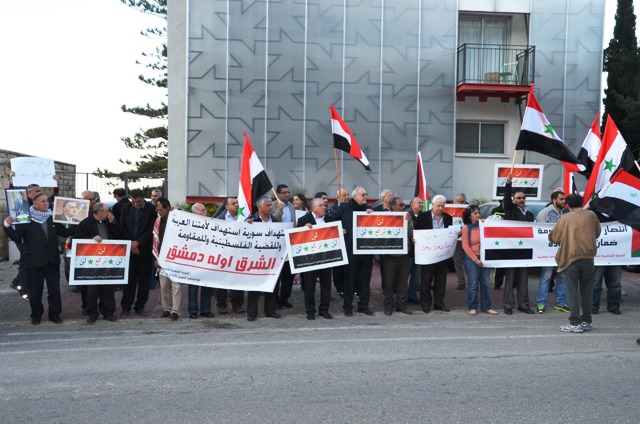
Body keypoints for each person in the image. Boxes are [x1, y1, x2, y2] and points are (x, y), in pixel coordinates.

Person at [4, 192, 64, 325]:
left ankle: (54, 314)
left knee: (55, 290)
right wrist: (7, 226)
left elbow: (64, 232)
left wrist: (77, 223)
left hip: (52, 261)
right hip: (33, 261)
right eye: (43, 201)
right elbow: (17, 237)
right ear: (35, 203)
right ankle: (36, 315)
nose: (46, 203)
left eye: (47, 201)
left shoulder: (52, 217)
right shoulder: (26, 218)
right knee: (35, 291)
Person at [548, 194, 600, 333]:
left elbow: (554, 237)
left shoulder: (566, 218)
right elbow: (597, 233)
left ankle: (575, 323)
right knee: (587, 291)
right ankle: (587, 321)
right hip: (588, 258)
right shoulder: (591, 215)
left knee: (571, 291)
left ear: (568, 204)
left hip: (571, 258)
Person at [73, 202, 120, 324]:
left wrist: (113, 223)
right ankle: (92, 313)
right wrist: (91, 240)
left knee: (108, 287)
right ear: (99, 212)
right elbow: (77, 239)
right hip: (92, 261)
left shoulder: (107, 222)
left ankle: (108, 312)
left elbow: (117, 235)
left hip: (107, 259)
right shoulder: (86, 223)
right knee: (92, 289)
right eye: (106, 211)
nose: (109, 213)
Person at [332, 186, 375, 316]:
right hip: (350, 249)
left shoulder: (369, 209)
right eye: (363, 194)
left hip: (365, 250)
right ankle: (348, 306)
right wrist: (339, 229)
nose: (365, 197)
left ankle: (363, 305)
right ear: (355, 196)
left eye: (366, 194)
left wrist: (373, 215)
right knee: (349, 279)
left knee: (365, 279)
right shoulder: (345, 207)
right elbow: (332, 219)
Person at [297, 198, 338, 320]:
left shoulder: (329, 220)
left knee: (326, 285)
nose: (324, 207)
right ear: (313, 208)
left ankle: (324, 309)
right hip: (310, 259)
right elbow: (297, 239)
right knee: (309, 286)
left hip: (325, 258)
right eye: (321, 205)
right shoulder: (303, 220)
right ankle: (310, 310)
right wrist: (303, 229)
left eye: (324, 205)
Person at [119, 188, 156, 317]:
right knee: (129, 280)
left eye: (138, 201)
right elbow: (123, 226)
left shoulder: (151, 209)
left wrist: (138, 242)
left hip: (144, 250)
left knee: (144, 281)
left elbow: (151, 229)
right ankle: (126, 307)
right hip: (129, 249)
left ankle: (140, 306)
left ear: (143, 198)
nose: (135, 204)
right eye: (133, 201)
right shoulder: (126, 208)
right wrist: (131, 243)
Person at [502, 173, 534, 315]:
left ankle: (524, 305)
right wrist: (508, 184)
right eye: (518, 198)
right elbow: (506, 199)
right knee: (510, 279)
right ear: (514, 200)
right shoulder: (510, 209)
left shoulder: (529, 214)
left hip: (525, 251)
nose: (521, 200)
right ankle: (508, 305)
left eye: (523, 198)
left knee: (523, 279)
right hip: (511, 249)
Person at [415, 194, 454, 313]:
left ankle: (439, 303)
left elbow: (449, 234)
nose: (440, 208)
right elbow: (417, 232)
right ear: (432, 205)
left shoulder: (448, 218)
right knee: (426, 280)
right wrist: (415, 239)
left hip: (442, 255)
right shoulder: (423, 217)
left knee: (441, 281)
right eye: (438, 206)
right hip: (428, 255)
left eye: (442, 206)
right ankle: (425, 303)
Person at [246, 196, 282, 321]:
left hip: (272, 259)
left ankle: (270, 311)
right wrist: (246, 225)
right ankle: (252, 312)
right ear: (259, 206)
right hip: (256, 259)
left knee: (272, 285)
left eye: (271, 205)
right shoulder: (251, 220)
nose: (271, 207)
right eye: (268, 205)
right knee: (254, 287)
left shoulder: (275, 220)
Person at [535, 191, 569, 314]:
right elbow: (540, 231)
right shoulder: (544, 213)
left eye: (564, 199)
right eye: (561, 199)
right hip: (548, 251)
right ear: (554, 200)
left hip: (563, 251)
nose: (564, 201)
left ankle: (561, 303)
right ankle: (541, 303)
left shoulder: (565, 213)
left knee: (563, 277)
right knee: (546, 277)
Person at [461, 205, 498, 315]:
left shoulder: (483, 225)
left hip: (485, 257)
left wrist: (487, 223)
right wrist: (475, 259)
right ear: (469, 216)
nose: (478, 215)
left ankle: (487, 307)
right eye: (475, 213)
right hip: (471, 259)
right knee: (473, 284)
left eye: (478, 212)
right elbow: (465, 246)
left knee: (485, 284)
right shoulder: (466, 228)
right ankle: (472, 307)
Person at [380, 197, 413, 316]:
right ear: (393, 206)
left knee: (403, 281)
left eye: (404, 205)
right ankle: (389, 305)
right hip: (389, 255)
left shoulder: (406, 217)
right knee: (389, 281)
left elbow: (411, 234)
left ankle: (401, 304)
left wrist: (409, 223)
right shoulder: (384, 217)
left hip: (403, 254)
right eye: (400, 205)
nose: (403, 207)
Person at [214, 197, 245, 315]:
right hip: (223, 254)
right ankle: (221, 305)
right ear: (226, 207)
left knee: (238, 279)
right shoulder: (219, 219)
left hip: (238, 254)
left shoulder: (243, 218)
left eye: (237, 203)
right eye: (233, 203)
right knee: (221, 280)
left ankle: (237, 304)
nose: (236, 205)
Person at [154, 197, 184, 320]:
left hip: (176, 256)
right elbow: (155, 240)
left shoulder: (178, 218)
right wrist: (155, 258)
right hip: (162, 257)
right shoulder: (158, 221)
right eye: (157, 210)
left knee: (176, 285)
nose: (159, 212)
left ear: (168, 208)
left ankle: (175, 310)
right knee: (164, 285)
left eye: (161, 210)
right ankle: (167, 308)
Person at [187, 203, 215, 319]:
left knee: (207, 286)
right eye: (202, 210)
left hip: (207, 260)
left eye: (205, 210)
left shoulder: (211, 224)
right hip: (194, 260)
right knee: (193, 287)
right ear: (195, 213)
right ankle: (193, 311)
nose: (205, 212)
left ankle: (205, 310)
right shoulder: (188, 225)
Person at [272, 184, 296, 309]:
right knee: (277, 275)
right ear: (278, 194)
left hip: (290, 244)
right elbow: (272, 222)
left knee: (289, 274)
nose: (287, 194)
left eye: (288, 192)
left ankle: (284, 298)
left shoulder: (291, 206)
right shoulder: (272, 205)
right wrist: (278, 210)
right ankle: (274, 299)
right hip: (277, 245)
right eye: (284, 192)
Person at [328, 187, 350, 296]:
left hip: (349, 241)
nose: (346, 197)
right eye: (344, 195)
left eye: (347, 195)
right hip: (338, 242)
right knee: (338, 268)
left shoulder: (350, 207)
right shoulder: (333, 208)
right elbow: (331, 219)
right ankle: (340, 288)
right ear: (338, 197)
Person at [406, 197, 424, 304]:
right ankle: (402, 296)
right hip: (409, 251)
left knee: (416, 276)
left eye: (422, 203)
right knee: (405, 275)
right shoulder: (406, 215)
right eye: (419, 203)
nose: (421, 204)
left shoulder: (424, 216)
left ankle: (412, 296)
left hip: (420, 251)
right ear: (412, 204)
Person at [453, 192, 468, 291]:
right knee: (457, 261)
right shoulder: (451, 209)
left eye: (462, 202)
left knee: (470, 261)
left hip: (468, 238)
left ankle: (472, 282)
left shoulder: (470, 209)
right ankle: (461, 282)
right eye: (458, 202)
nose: (460, 204)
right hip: (457, 239)